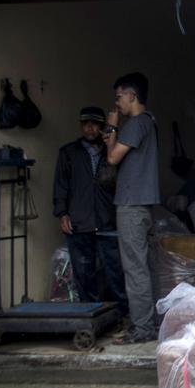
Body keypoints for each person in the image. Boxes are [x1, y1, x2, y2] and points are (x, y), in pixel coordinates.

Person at [52, 106, 128, 313]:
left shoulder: (113, 153)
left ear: (103, 126)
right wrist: (62, 213)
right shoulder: (68, 153)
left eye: (95, 124)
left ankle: (121, 316)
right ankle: (90, 316)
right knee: (84, 273)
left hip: (108, 220)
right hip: (79, 220)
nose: (90, 128)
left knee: (115, 272)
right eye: (86, 123)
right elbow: (61, 185)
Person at [103, 72, 160, 345]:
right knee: (142, 267)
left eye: (119, 97)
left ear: (132, 95)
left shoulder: (136, 123)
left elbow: (112, 158)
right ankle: (148, 322)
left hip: (131, 205)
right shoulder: (148, 122)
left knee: (134, 268)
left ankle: (143, 327)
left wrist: (112, 127)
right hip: (141, 205)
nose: (117, 104)